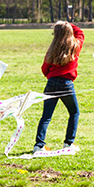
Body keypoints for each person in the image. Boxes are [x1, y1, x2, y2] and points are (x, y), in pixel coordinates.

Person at [33, 21, 85, 152]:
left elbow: (44, 68)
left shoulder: (52, 49)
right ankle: (69, 143)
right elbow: (80, 33)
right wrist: (68, 24)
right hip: (67, 84)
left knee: (46, 116)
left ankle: (38, 145)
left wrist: (51, 77)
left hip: (51, 83)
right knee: (74, 112)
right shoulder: (75, 46)